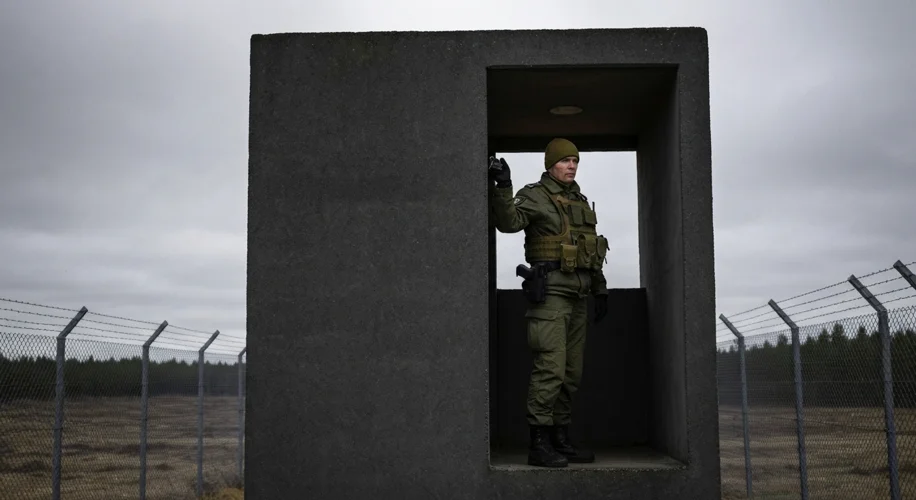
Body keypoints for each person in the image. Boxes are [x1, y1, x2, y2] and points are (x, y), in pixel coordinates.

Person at [488, 138, 609, 468]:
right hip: (552, 294)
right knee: (550, 369)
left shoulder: (580, 200)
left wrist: (600, 289)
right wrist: (504, 186)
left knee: (571, 373)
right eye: (565, 160)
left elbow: (591, 250)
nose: (571, 166)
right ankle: (538, 443)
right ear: (550, 164)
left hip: (580, 295)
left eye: (575, 161)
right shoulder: (535, 195)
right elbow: (509, 222)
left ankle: (560, 438)